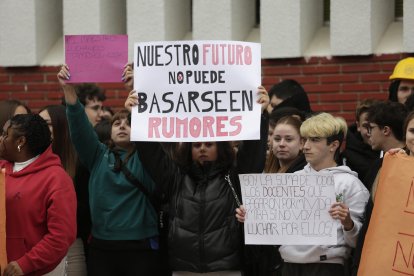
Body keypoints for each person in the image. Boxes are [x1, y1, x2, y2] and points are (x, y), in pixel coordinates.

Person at [125, 85, 269, 275]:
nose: (202, 148)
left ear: (220, 147)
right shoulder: (175, 177)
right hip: (183, 268)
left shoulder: (234, 176)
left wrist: (260, 115)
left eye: (209, 144)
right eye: (196, 144)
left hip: (226, 268)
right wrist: (136, 116)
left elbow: (253, 153)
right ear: (188, 149)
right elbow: (151, 154)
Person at [237, 112, 369, 276]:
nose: (306, 146)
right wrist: (252, 218)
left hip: (328, 267)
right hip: (287, 265)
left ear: (333, 145)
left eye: (314, 140)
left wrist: (348, 222)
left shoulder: (350, 184)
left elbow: (361, 243)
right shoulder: (291, 180)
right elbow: (276, 229)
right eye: (305, 139)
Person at [58, 65, 160, 276]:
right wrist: (69, 90)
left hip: (141, 246)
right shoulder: (97, 155)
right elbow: (79, 128)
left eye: (128, 122)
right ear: (108, 131)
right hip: (102, 247)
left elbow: (154, 130)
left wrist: (137, 89)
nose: (122, 125)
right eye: (116, 123)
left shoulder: (148, 157)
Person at [0, 113, 77, 275]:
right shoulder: (2, 170)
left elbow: (61, 237)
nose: (1, 139)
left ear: (20, 142)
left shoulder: (56, 179)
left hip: (36, 270)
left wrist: (26, 263)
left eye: (5, 135)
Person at [38, 105, 87, 276]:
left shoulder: (80, 163)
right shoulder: (26, 162)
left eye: (48, 124)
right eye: (38, 124)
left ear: (61, 126)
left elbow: (87, 212)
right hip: (34, 247)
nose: (41, 129)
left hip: (70, 247)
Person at [341, 99, 381, 181]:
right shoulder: (346, 158)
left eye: (375, 126)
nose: (370, 132)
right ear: (358, 126)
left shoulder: (391, 151)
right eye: (366, 126)